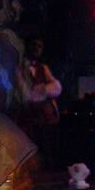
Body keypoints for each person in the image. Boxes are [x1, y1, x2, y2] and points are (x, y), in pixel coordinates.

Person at [25, 34, 62, 169]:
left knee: (47, 147)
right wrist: (40, 92)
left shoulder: (43, 68)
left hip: (45, 118)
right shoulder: (20, 67)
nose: (36, 49)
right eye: (34, 45)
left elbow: (56, 87)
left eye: (39, 46)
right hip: (29, 116)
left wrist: (42, 89)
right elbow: (25, 94)